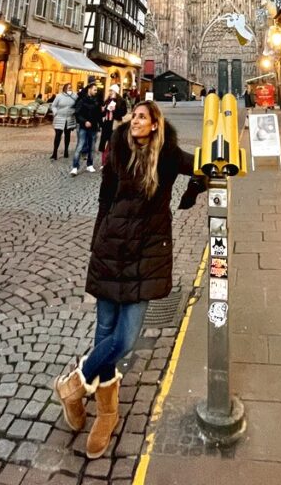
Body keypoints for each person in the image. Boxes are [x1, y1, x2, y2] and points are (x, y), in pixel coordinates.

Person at [53, 100, 206, 459]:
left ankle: (75, 382)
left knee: (125, 337)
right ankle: (107, 412)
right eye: (133, 115)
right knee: (104, 332)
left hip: (145, 254)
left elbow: (201, 164)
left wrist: (193, 190)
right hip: (112, 249)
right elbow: (105, 197)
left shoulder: (168, 155)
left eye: (142, 117)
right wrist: (97, 242)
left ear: (155, 124)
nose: (135, 120)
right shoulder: (117, 149)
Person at [71, 80, 101, 176]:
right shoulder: (82, 100)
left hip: (94, 127)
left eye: (96, 90)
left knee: (92, 147)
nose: (96, 92)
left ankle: (90, 164)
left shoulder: (96, 100)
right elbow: (77, 113)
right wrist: (85, 121)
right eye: (94, 90)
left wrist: (103, 112)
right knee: (80, 146)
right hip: (83, 127)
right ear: (89, 89)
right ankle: (75, 167)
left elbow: (99, 115)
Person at [98, 84, 128, 162]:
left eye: (111, 90)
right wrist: (102, 110)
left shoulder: (121, 101)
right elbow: (102, 114)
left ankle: (113, 160)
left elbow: (123, 112)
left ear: (116, 92)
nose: (110, 92)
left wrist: (115, 109)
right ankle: (104, 161)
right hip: (107, 123)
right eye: (110, 91)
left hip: (115, 124)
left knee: (114, 142)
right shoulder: (107, 100)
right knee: (104, 142)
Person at [51, 84, 77, 159]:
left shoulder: (74, 96)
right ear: (65, 88)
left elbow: (78, 105)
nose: (70, 89)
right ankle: (54, 152)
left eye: (71, 87)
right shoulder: (59, 96)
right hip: (60, 117)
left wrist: (74, 111)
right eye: (68, 87)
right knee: (58, 135)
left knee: (67, 135)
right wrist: (55, 112)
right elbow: (53, 106)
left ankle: (66, 151)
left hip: (69, 118)